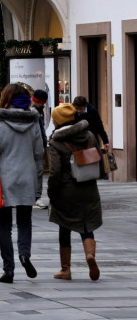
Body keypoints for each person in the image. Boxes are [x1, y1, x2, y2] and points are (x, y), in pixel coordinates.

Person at [0, 82, 45, 283]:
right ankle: (24, 254)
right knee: (25, 221)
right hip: (27, 176)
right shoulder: (34, 121)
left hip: (4, 178)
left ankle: (8, 270)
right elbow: (39, 153)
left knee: (4, 225)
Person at [48, 103, 102, 281]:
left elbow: (55, 171)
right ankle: (90, 256)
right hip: (88, 187)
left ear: (57, 121)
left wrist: (51, 191)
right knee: (86, 224)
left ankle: (66, 269)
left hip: (66, 189)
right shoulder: (89, 136)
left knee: (65, 226)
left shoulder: (56, 141)